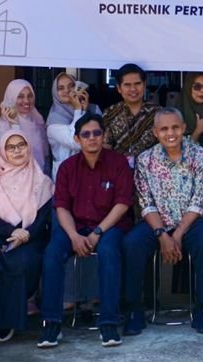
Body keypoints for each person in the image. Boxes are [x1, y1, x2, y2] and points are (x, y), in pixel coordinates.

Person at [38, 112, 149, 348]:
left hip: (110, 226)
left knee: (109, 252)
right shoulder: (67, 168)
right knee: (52, 253)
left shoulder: (118, 163)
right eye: (86, 134)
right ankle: (51, 324)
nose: (92, 138)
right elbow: (61, 207)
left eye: (97, 133)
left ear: (104, 135)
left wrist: (98, 232)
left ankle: (108, 323)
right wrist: (73, 236)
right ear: (77, 139)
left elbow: (122, 204)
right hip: (75, 226)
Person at [134, 108, 203, 334]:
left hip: (191, 222)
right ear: (155, 132)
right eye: (164, 129)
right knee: (131, 244)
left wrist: (178, 234)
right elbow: (145, 202)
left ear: (184, 128)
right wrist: (162, 235)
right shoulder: (145, 160)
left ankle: (201, 308)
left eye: (175, 127)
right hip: (156, 222)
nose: (170, 133)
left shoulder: (200, 155)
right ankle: (136, 309)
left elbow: (199, 200)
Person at [0, 130, 53, 341]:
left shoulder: (42, 181)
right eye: (11, 147)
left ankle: (7, 322)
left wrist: (26, 233)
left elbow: (43, 217)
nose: (17, 151)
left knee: (21, 262)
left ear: (29, 148)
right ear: (2, 152)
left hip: (30, 238)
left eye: (21, 145)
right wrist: (11, 231)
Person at [102, 63, 157, 164]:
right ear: (119, 88)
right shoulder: (109, 114)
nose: (133, 89)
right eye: (127, 85)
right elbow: (105, 148)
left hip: (151, 169)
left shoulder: (157, 113)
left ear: (144, 85)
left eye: (137, 83)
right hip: (118, 168)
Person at [0, 79, 51, 176]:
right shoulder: (3, 128)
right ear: (11, 98)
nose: (26, 101)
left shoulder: (37, 120)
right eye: (20, 96)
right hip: (18, 179)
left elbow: (45, 155)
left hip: (40, 177)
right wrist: (15, 124)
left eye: (30, 96)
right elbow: (14, 155)